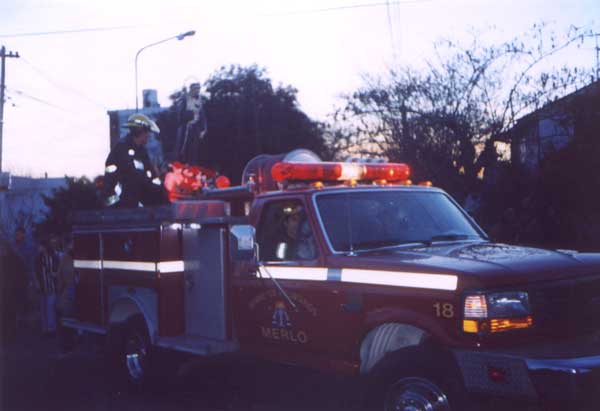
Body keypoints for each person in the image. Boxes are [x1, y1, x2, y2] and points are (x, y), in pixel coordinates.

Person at [102, 113, 166, 208]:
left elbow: (149, 174)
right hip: (121, 203)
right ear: (139, 131)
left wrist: (161, 179)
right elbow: (133, 177)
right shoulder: (122, 149)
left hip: (135, 200)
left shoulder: (141, 151)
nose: (148, 136)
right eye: (147, 132)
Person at [175, 82, 207, 166]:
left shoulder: (199, 99)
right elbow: (180, 114)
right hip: (186, 127)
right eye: (195, 89)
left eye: (198, 89)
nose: (197, 91)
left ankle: (193, 164)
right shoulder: (185, 99)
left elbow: (202, 114)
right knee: (183, 148)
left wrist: (204, 128)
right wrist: (190, 114)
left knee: (194, 150)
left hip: (195, 128)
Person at [55, 239, 76, 354]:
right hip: (68, 290)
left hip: (82, 290)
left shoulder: (83, 255)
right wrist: (60, 291)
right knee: (66, 319)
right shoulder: (65, 258)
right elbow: (59, 275)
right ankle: (67, 345)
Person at [35, 242, 60, 335]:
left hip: (51, 286)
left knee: (50, 307)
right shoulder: (38, 258)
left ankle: (51, 328)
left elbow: (58, 270)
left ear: (45, 247)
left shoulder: (54, 257)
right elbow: (36, 271)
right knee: (43, 308)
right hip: (42, 286)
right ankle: (44, 328)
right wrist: (36, 282)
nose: (39, 248)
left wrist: (55, 274)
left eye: (40, 246)